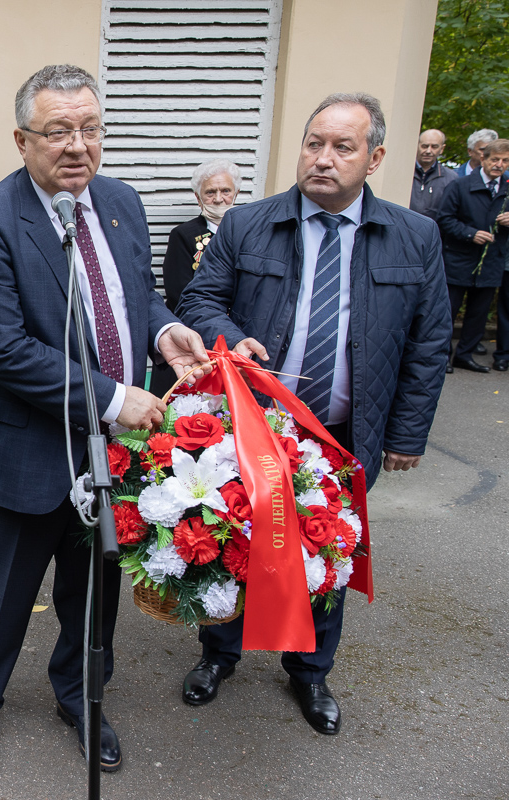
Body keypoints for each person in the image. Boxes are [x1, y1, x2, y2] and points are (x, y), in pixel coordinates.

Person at [0, 64, 209, 780]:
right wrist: (113, 397)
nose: (77, 146)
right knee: (0, 594)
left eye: (90, 128)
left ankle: (81, 698)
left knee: (94, 589)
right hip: (22, 446)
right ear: (22, 139)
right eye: (57, 130)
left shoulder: (120, 202)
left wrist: (165, 333)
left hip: (111, 453)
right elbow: (3, 350)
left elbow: (135, 298)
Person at [177, 92, 450, 735]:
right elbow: (199, 299)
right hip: (251, 428)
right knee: (234, 543)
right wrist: (227, 335)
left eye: (342, 148)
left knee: (327, 554)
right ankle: (220, 653)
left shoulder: (416, 236)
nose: (322, 160)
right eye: (313, 143)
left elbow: (429, 343)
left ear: (376, 157)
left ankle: (310, 671)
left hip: (346, 437)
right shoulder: (247, 224)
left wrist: (407, 434)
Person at [152, 159, 241, 392]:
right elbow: (178, 292)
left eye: (226, 191)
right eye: (210, 192)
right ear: (198, 197)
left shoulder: (250, 233)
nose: (219, 198)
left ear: (237, 193)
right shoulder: (183, 235)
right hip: (194, 336)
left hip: (238, 338)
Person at [437, 138, 509, 372]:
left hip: (491, 262)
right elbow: (444, 219)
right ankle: (442, 357)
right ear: (483, 159)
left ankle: (464, 355)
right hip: (459, 259)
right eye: (495, 159)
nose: (499, 164)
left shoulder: (507, 189)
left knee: (477, 315)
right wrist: (470, 234)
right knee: (448, 312)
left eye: (505, 161)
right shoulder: (460, 185)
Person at [410, 129, 457, 221]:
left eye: (434, 147)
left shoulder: (451, 178)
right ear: (417, 145)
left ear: (442, 149)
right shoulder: (404, 173)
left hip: (433, 232)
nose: (428, 151)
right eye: (424, 146)